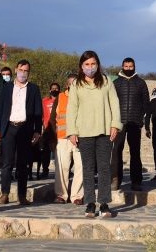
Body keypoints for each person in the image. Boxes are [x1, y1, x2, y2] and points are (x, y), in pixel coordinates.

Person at [66, 50, 122, 218]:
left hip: (105, 131)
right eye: (87, 64)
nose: (90, 67)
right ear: (82, 66)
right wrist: (72, 132)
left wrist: (115, 125)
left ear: (98, 65)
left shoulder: (106, 82)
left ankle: (104, 203)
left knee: (104, 168)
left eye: (93, 64)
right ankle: (90, 203)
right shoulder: (76, 84)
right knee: (87, 169)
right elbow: (72, 109)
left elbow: (114, 103)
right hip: (84, 132)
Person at [0, 60, 43, 205]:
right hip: (9, 128)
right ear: (16, 70)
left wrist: (37, 131)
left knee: (23, 163)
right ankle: (5, 193)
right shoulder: (6, 87)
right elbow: (0, 109)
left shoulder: (34, 89)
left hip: (25, 129)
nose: (23, 73)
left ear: (29, 72)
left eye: (26, 71)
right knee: (7, 163)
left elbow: (38, 112)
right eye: (21, 70)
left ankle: (22, 195)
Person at [112, 57, 150, 191]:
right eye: (126, 66)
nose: (128, 69)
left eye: (131, 66)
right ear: (122, 67)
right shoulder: (116, 83)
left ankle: (136, 181)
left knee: (135, 153)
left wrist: (143, 121)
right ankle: (115, 179)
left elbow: (146, 103)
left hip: (135, 122)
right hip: (119, 123)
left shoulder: (140, 83)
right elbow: (111, 103)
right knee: (116, 152)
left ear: (134, 67)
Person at [53, 74, 84, 204]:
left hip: (80, 138)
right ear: (66, 85)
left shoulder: (84, 97)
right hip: (62, 138)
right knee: (62, 167)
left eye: (75, 83)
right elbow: (52, 119)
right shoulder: (60, 97)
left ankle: (77, 196)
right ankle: (61, 195)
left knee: (80, 167)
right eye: (70, 83)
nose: (72, 86)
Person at [35, 82, 60, 179]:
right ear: (50, 90)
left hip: (58, 130)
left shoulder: (62, 100)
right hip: (47, 129)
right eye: (53, 88)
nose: (54, 90)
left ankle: (62, 171)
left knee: (59, 152)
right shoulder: (44, 101)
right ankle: (45, 170)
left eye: (56, 88)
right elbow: (40, 115)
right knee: (45, 152)